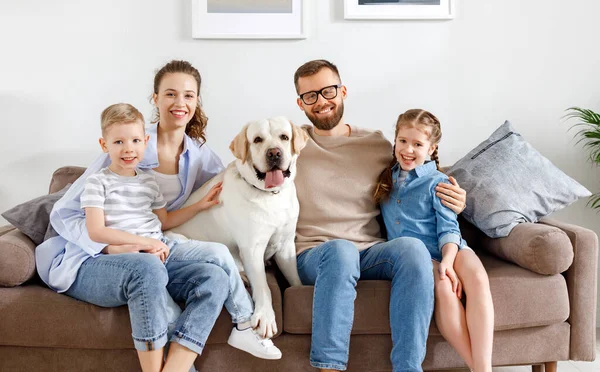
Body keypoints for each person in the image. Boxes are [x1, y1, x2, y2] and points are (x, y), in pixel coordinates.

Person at [35, 60, 280, 372]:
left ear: (197, 101)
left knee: (215, 274)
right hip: (101, 254)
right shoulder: (127, 143)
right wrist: (112, 247)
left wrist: (267, 200)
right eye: (170, 94)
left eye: (189, 96)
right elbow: (64, 214)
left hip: (158, 243)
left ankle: (234, 332)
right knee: (149, 270)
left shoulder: (199, 156)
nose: (180, 103)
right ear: (155, 99)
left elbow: (232, 184)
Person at [291, 59, 467, 372]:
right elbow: (247, 171)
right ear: (300, 103)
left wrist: (456, 199)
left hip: (370, 252)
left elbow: (416, 177)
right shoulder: (292, 142)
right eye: (310, 96)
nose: (321, 101)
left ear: (343, 91)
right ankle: (329, 367)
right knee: (341, 250)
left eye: (328, 91)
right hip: (315, 254)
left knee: (412, 249)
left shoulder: (376, 144)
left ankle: (408, 368)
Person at [375, 109, 494, 372]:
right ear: (395, 141)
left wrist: (449, 262)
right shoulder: (385, 179)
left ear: (431, 148)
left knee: (477, 278)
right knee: (443, 287)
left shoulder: (439, 182)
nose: (408, 149)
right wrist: (443, 270)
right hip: (419, 256)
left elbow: (449, 229)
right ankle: (476, 366)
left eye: (418, 144)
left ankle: (484, 367)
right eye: (403, 141)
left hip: (451, 247)